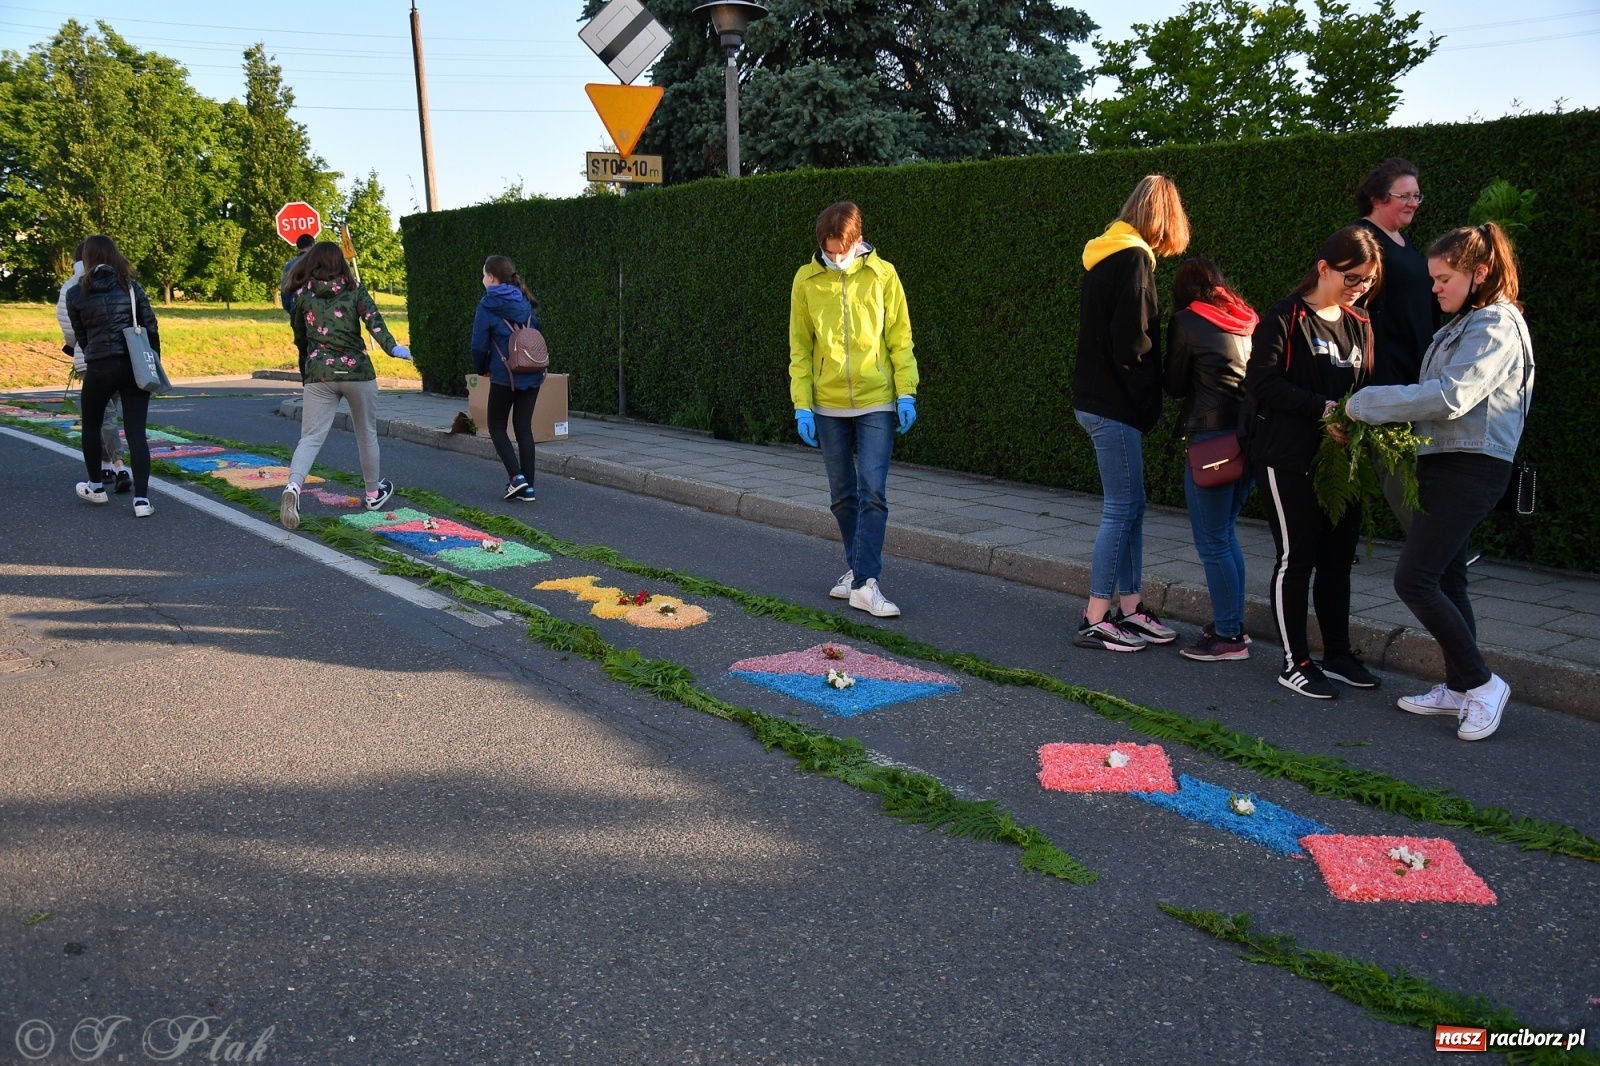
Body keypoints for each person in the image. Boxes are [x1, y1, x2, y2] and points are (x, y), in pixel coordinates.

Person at [1345, 223, 1531, 741]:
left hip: (1470, 466)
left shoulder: (1494, 324)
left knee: (1415, 579)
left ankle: (1483, 684)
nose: (1435, 288)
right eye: (1433, 278)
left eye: (1444, 278)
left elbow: (1450, 396)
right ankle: (1457, 687)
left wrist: (1365, 406)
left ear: (1481, 273)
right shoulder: (1470, 321)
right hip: (1449, 461)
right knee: (1447, 577)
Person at [1244, 225, 1385, 699]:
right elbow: (1261, 383)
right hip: (1288, 457)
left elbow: (1365, 386)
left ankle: (1339, 655)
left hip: (1342, 461)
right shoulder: (1285, 317)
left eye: (1367, 281)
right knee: (1296, 557)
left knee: (1338, 561)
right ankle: (1295, 661)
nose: (1360, 288)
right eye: (1352, 278)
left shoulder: (1361, 323)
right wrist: (1324, 412)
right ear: (1324, 268)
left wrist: (1361, 418)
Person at [1073, 175, 1189, 652]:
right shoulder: (1136, 259)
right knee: (1123, 507)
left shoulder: (1105, 254)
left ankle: (1129, 608)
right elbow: (1135, 344)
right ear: (1163, 220)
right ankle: (1097, 615)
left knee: (1132, 505)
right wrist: (1150, 402)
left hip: (1096, 399)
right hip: (1114, 404)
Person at [789, 201, 919, 619]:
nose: (834, 258)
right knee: (842, 495)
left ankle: (865, 582)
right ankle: (857, 570)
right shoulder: (806, 281)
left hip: (876, 399)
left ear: (856, 240)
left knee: (873, 491)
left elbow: (900, 337)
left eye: (840, 252)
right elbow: (800, 349)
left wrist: (906, 392)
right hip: (826, 406)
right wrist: (802, 405)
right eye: (828, 252)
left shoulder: (883, 275)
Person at [1163, 258, 1257, 662]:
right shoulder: (1248, 319)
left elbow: (1174, 383)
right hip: (1249, 439)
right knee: (1226, 533)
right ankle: (1232, 623)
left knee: (1213, 539)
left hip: (1211, 441)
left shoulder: (1187, 321)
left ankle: (1228, 636)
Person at [279, 242, 410, 530]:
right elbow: (375, 323)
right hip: (357, 372)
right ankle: (373, 494)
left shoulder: (302, 294)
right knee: (366, 433)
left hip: (319, 373)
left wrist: (310, 356)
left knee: (310, 437)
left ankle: (293, 488)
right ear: (340, 263)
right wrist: (394, 349)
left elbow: (299, 335)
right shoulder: (355, 290)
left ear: (312, 263)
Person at [1355, 158, 1439, 532]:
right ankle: (1432, 546)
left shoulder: (1404, 242)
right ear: (1376, 197)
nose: (1412, 203)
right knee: (1397, 465)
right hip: (1384, 371)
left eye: (1416, 196)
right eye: (1403, 196)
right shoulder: (1362, 240)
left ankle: (1435, 546)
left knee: (1414, 462)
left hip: (1416, 369)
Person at [64, 235, 157, 517]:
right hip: (132, 365)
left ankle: (96, 486)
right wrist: (152, 359)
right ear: (115, 255)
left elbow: (81, 336)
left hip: (99, 366)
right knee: (136, 432)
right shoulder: (130, 286)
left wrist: (95, 350)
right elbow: (150, 324)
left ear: (87, 258)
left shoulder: (75, 293)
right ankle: (141, 500)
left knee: (91, 425)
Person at [470, 256, 545, 502]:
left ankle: (517, 478)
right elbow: (537, 331)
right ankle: (529, 487)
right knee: (524, 429)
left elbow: (478, 345)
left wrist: (482, 369)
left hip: (505, 375)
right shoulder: (525, 301)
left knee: (496, 427)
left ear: (491, 277)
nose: (482, 279)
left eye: (483, 275)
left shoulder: (487, 304)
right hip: (533, 372)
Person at [57, 243, 130, 494]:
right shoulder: (121, 281)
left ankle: (117, 466)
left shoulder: (71, 287)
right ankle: (107, 463)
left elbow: (69, 328)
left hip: (90, 358)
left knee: (101, 416)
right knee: (110, 412)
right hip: (124, 357)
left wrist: (78, 346)